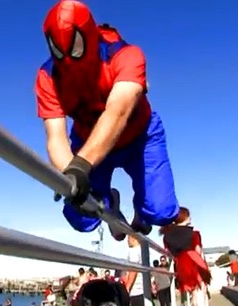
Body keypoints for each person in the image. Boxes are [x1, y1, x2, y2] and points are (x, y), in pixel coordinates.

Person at [35, 0, 180, 239]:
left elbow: (118, 111)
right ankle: (109, 199)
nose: (69, 61)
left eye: (76, 49)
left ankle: (141, 211)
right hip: (88, 141)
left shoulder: (127, 56)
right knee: (81, 218)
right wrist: (70, 173)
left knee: (162, 212)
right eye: (60, 52)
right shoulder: (47, 76)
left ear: (90, 36)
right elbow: (55, 137)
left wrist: (81, 166)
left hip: (140, 137)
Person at [160, 207, 212, 306]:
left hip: (182, 268)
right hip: (195, 265)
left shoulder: (167, 236)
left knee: (195, 300)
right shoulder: (194, 233)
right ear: (185, 217)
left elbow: (169, 254)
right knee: (200, 300)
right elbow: (198, 252)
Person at [124, 234, 146, 306]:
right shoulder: (142, 250)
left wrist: (127, 288)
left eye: (128, 238)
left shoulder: (133, 251)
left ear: (133, 238)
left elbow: (134, 270)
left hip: (135, 291)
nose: (127, 241)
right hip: (141, 290)